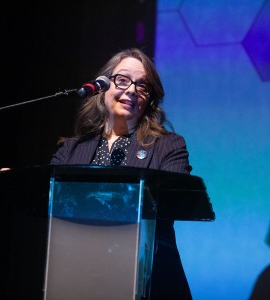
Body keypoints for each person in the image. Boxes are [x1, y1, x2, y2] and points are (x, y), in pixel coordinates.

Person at [50, 48, 193, 299]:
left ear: (149, 99)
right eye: (122, 80)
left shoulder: (168, 146)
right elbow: (46, 200)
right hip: (77, 278)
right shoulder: (71, 149)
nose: (131, 90)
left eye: (142, 86)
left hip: (149, 279)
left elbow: (174, 202)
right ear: (102, 87)